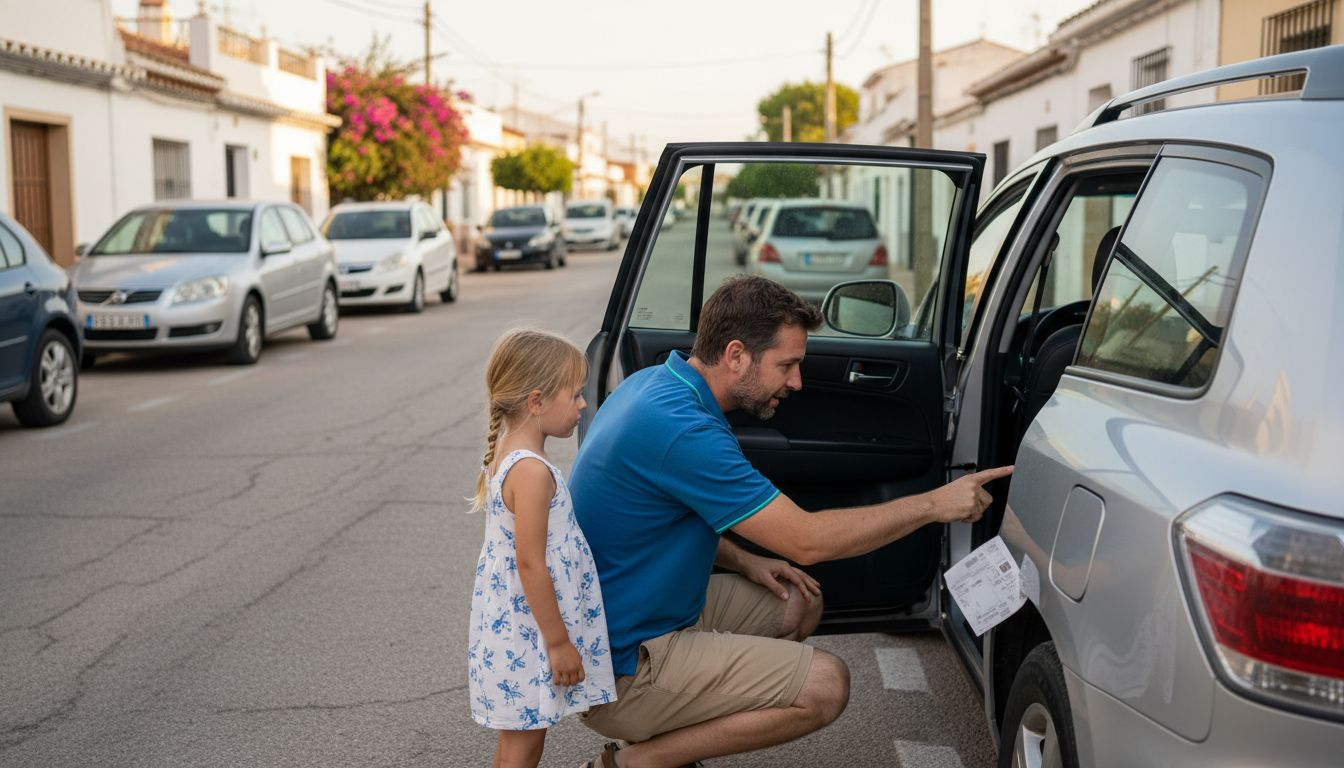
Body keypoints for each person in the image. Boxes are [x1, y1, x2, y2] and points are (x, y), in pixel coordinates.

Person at [570, 276, 1012, 768]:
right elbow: (807, 542)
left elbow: (649, 518)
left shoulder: (655, 385)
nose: (797, 382)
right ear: (736, 356)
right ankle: (636, 762)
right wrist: (935, 504)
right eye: (788, 365)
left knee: (799, 601)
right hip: (624, 668)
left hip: (633, 617)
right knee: (825, 685)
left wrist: (744, 559)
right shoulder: (683, 430)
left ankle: (674, 720)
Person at [467, 329, 618, 768]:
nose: (583, 405)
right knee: (524, 743)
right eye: (574, 395)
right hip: (529, 632)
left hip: (512, 624)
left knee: (516, 739)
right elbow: (531, 563)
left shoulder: (506, 456)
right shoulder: (531, 472)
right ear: (536, 401)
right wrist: (558, 643)